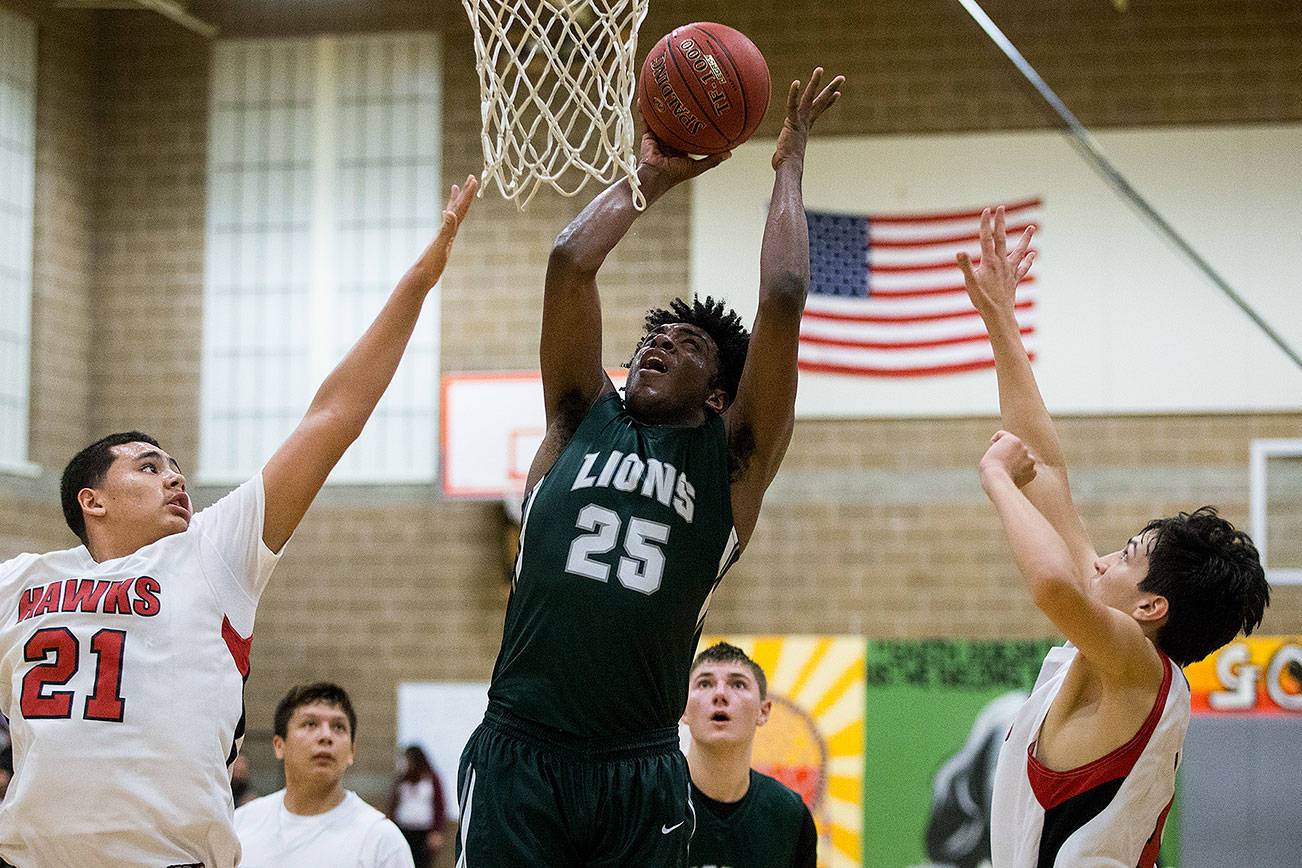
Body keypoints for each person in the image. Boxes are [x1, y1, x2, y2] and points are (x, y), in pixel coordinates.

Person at [0, 177, 477, 867]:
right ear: (91, 501)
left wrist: (417, 282)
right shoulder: (21, 581)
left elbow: (331, 419)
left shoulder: (213, 552)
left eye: (174, 465)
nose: (174, 476)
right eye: (147, 466)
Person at [455, 68, 844, 867]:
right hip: (518, 749)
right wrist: (654, 174)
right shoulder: (578, 417)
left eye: (689, 345)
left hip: (638, 767)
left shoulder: (731, 463)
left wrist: (791, 161)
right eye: (652, 339)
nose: (659, 344)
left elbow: (785, 291)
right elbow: (569, 263)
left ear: (719, 396)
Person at [959, 207, 1270, 867]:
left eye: (1126, 557)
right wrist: (1000, 322)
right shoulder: (1114, 644)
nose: (1100, 558)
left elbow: (1049, 584)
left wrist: (996, 480)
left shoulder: (1137, 666)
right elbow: (1046, 465)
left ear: (1151, 608)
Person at [234, 683, 413, 868]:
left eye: (338, 727)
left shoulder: (382, 841)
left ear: (351, 751)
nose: (326, 736)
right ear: (279, 746)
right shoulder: (239, 825)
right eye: (310, 724)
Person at [682, 642, 817, 868]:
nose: (720, 694)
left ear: (763, 712)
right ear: (684, 710)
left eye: (738, 684)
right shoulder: (651, 803)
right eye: (704, 683)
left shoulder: (789, 813)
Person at [387, 745, 447, 867]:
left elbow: (439, 805)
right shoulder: (402, 779)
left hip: (423, 832)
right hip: (403, 829)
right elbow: (394, 804)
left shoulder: (431, 778)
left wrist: (437, 831)